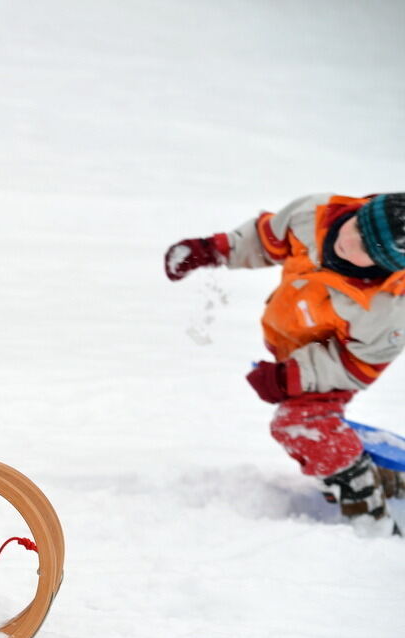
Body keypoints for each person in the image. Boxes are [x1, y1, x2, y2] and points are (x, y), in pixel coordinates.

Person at [164, 193, 405, 533]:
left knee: (300, 422)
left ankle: (365, 503)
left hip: (331, 366)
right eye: (355, 226)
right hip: (290, 338)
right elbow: (263, 240)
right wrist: (211, 249)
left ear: (386, 264)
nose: (347, 242)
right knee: (299, 424)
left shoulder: (387, 309)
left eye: (366, 249)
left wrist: (291, 376)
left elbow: (357, 367)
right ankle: (379, 474)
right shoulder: (314, 216)